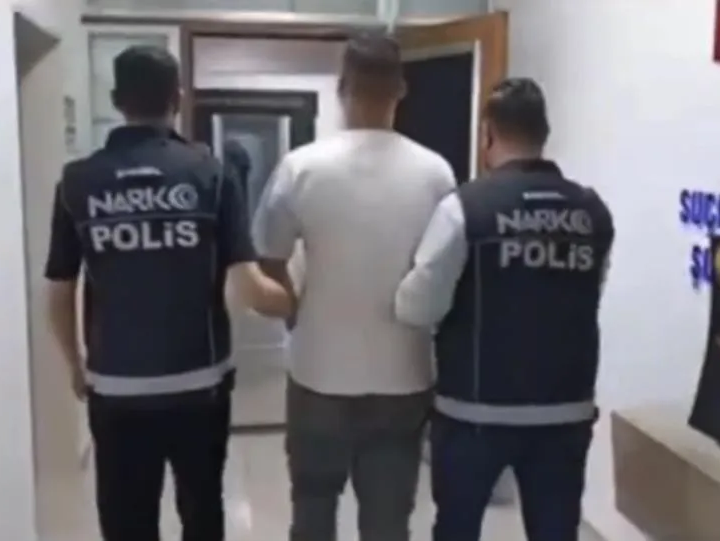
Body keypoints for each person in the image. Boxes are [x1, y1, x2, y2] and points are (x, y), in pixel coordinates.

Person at [44, 45, 293, 541]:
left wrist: (76, 363)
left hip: (115, 385)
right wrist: (297, 301)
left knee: (126, 519)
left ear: (116, 100)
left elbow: (58, 291)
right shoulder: (211, 174)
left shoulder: (78, 182)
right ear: (177, 98)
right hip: (198, 385)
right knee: (201, 513)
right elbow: (248, 287)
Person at [252, 31, 457, 541]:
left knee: (313, 512)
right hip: (403, 374)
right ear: (401, 89)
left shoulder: (301, 167)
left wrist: (294, 312)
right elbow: (447, 270)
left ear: (342, 86)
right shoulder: (436, 173)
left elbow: (268, 260)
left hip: (318, 372)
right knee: (388, 522)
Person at [394, 78, 615, 541]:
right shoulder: (593, 213)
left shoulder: (465, 208)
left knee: (457, 529)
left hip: (475, 412)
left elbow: (418, 307)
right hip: (565, 410)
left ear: (488, 133)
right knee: (556, 532)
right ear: (544, 133)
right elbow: (590, 291)